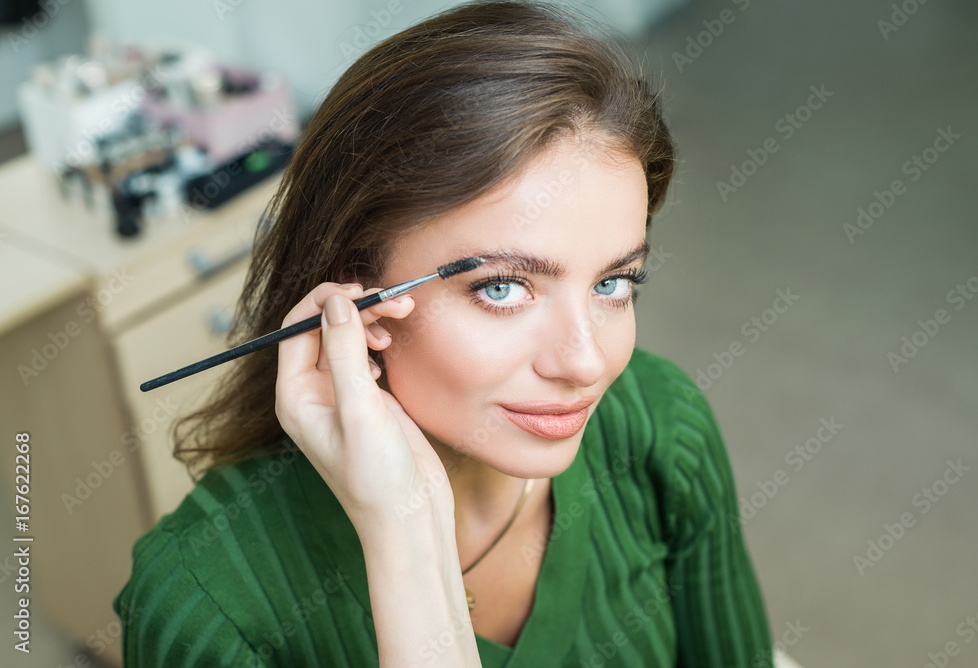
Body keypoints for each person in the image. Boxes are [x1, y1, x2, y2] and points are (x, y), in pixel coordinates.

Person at [112, 1, 775, 666]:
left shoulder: (661, 424)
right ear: (358, 298)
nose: (585, 363)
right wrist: (402, 528)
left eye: (613, 284)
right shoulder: (206, 605)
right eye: (503, 288)